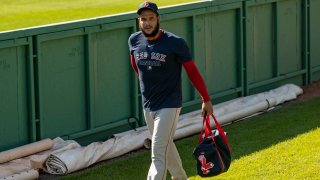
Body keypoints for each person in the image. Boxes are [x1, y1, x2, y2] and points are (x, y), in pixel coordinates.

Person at [128, 2, 213, 180]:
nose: (148, 23)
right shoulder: (134, 41)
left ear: (158, 19)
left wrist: (205, 98)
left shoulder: (175, 43)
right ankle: (181, 177)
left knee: (157, 151)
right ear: (139, 21)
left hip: (169, 104)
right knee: (166, 146)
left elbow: (192, 72)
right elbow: (136, 67)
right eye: (143, 19)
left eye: (151, 18)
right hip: (148, 105)